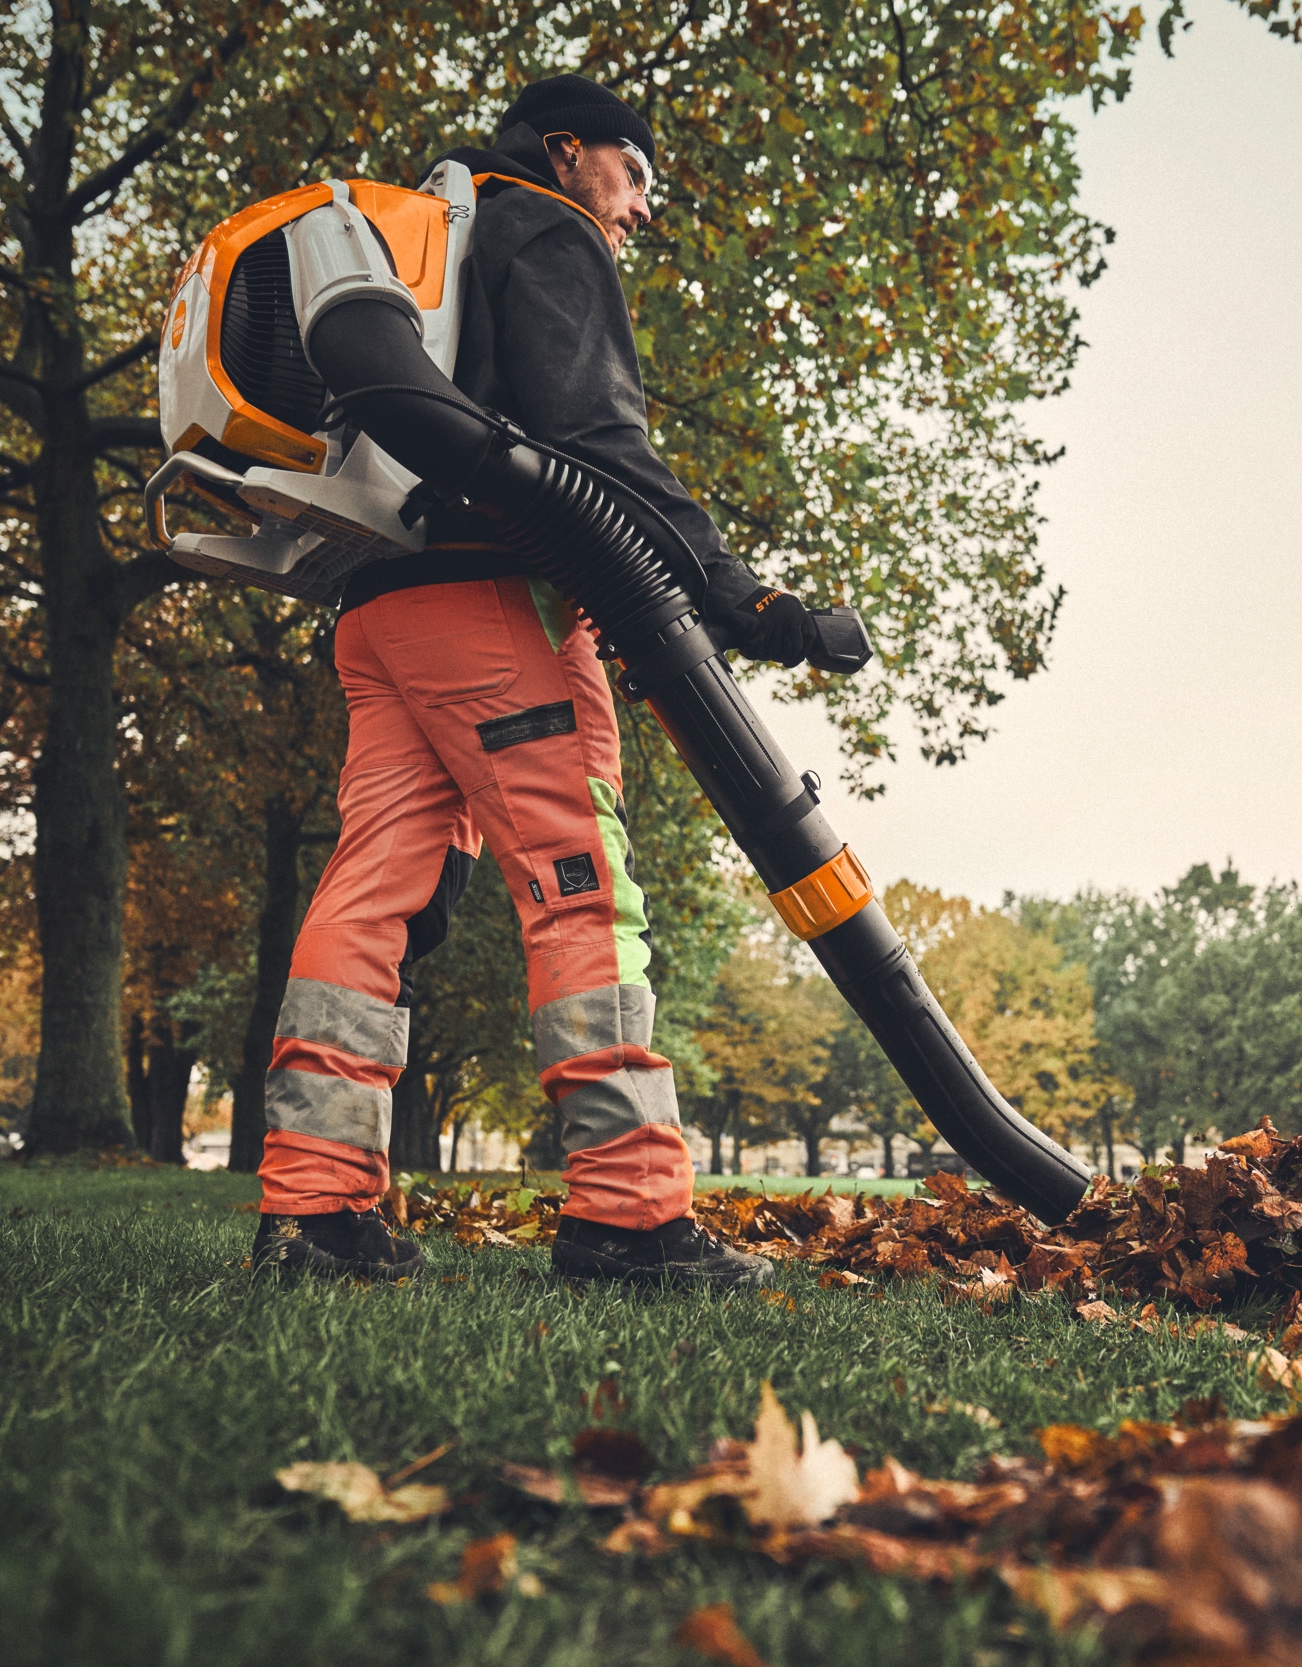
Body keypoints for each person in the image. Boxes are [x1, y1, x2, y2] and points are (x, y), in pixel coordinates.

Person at [250, 74, 809, 1286]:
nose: (644, 208)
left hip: (380, 609)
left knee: (369, 891)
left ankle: (313, 1208)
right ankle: (630, 1215)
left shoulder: (427, 246)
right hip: (495, 605)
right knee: (579, 885)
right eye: (637, 173)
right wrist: (739, 595)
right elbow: (599, 438)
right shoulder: (540, 227)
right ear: (569, 152)